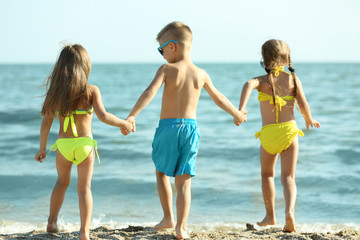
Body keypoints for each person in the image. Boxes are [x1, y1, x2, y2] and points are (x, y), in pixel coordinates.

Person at [122, 21, 247, 239]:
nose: (161, 55)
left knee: (161, 172)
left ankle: (168, 216)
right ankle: (181, 227)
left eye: (161, 49)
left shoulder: (167, 69)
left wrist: (132, 115)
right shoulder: (201, 74)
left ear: (173, 46)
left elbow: (149, 92)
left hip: (168, 128)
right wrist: (236, 114)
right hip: (191, 130)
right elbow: (219, 98)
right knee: (184, 181)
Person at [34, 44, 133, 240]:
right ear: (85, 66)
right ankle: (84, 232)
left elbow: (46, 121)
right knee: (84, 188)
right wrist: (125, 123)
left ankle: (52, 222)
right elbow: (104, 116)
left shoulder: (56, 93)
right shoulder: (91, 90)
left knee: (61, 183)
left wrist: (42, 148)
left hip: (63, 145)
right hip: (85, 145)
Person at [236, 39, 320, 232]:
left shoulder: (260, 81)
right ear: (287, 60)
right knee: (288, 178)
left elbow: (247, 84)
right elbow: (304, 103)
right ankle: (289, 213)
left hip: (269, 134)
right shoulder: (293, 79)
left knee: (267, 175)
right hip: (290, 132)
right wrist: (309, 118)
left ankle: (270, 215)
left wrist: (241, 109)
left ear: (264, 61)